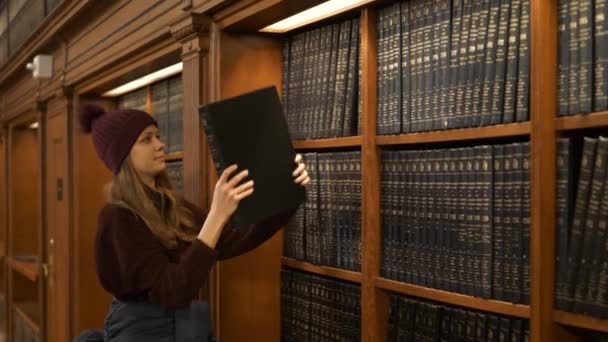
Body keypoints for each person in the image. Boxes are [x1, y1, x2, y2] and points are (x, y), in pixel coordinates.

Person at [75, 104, 309, 342]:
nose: (160, 144)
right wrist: (216, 215)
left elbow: (234, 238)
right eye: (146, 140)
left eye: (157, 136)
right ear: (123, 155)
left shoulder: (172, 205)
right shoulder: (118, 218)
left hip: (180, 328)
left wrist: (288, 189)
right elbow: (171, 291)